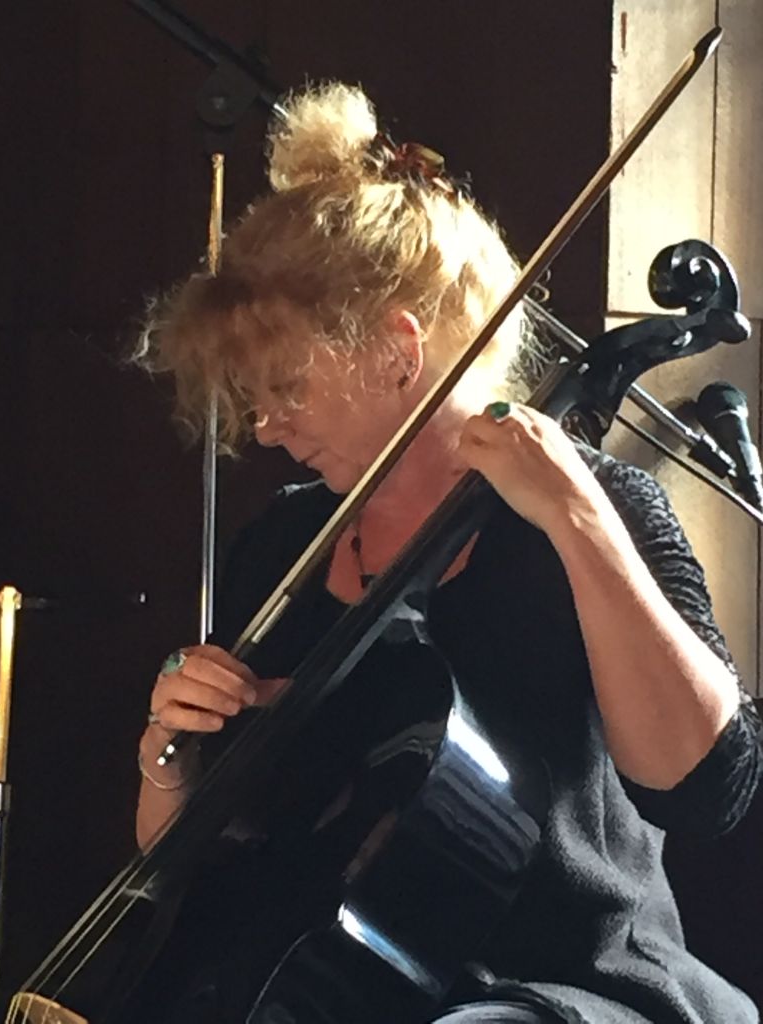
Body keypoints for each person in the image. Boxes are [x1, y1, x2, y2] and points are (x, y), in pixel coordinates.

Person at [133, 82, 762, 1024]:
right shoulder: (288, 543)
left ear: (396, 348)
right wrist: (169, 766)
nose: (264, 428)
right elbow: (191, 870)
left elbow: (706, 786)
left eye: (287, 386)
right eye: (251, 398)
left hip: (574, 987)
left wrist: (579, 523)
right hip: (345, 982)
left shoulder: (597, 502)